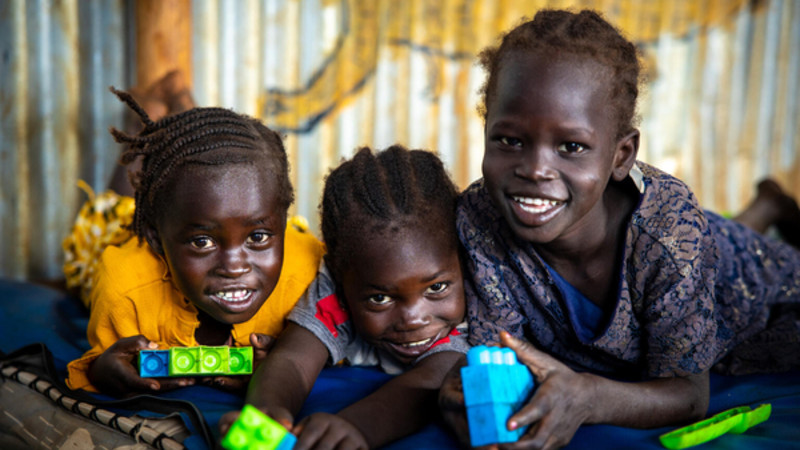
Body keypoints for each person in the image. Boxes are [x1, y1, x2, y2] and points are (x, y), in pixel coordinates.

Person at [439, 9, 800, 449]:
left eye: (571, 146)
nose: (534, 170)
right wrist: (467, 397)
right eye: (509, 140)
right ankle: (766, 206)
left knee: (736, 266)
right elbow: (495, 356)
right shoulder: (478, 219)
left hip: (769, 297)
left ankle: (766, 211)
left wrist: (590, 398)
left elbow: (689, 394)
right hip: (696, 249)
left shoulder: (669, 233)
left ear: (621, 155)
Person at [65, 87, 325, 396]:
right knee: (114, 207)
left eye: (257, 238)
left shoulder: (308, 273)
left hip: (201, 209)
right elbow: (104, 361)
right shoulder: (124, 289)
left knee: (202, 169)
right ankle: (146, 119)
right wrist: (102, 370)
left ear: (282, 224)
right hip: (121, 229)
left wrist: (283, 361)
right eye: (202, 242)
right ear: (156, 238)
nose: (234, 267)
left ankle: (179, 101)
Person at [220, 145, 469, 449]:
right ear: (339, 279)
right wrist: (267, 412)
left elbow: (431, 380)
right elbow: (293, 360)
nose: (414, 318)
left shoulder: (478, 301)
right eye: (380, 299)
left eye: (436, 288)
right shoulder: (339, 290)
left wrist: (355, 427)